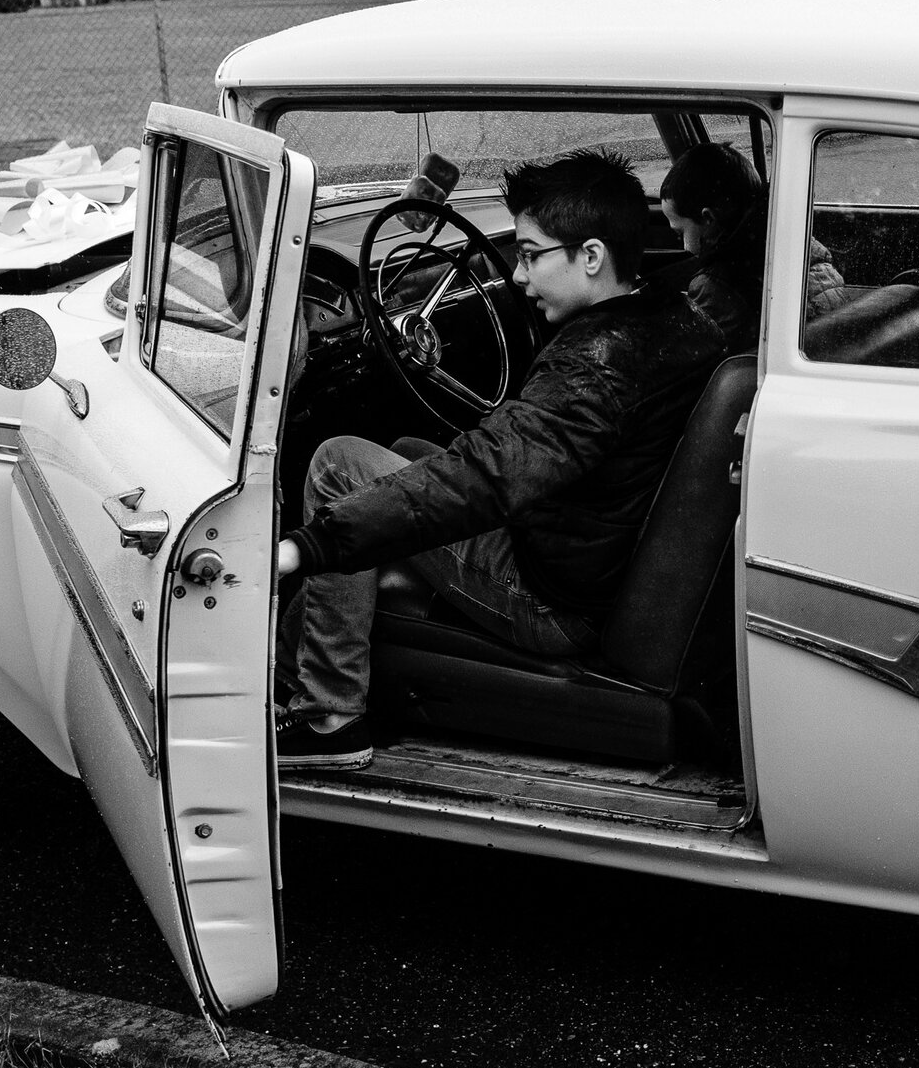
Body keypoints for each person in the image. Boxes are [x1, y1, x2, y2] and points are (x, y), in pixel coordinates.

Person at [274, 148, 725, 769]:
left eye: (533, 255)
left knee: (338, 465)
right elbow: (522, 446)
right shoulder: (675, 319)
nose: (516, 275)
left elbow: (485, 473)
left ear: (591, 257)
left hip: (551, 597)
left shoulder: (591, 367)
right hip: (595, 551)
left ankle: (328, 715)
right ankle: (294, 650)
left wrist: (308, 546)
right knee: (404, 452)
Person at [657, 143, 845, 354]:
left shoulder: (717, 287)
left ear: (708, 218)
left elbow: (689, 358)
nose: (684, 245)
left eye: (680, 233)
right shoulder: (802, 247)